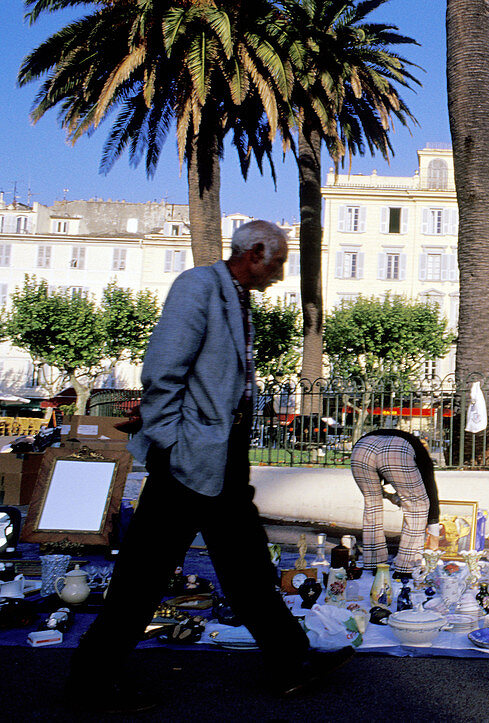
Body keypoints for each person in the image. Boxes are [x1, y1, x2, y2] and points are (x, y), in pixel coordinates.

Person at [67, 221, 352, 714]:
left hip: (222, 453)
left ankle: (290, 663)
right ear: (255, 251)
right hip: (189, 457)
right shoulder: (198, 287)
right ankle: (91, 680)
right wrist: (172, 442)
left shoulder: (237, 297)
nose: (281, 273)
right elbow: (161, 369)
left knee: (247, 567)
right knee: (145, 575)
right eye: (278, 261)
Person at [349, 428, 440, 578]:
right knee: (417, 505)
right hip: (397, 450)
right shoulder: (423, 457)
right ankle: (406, 567)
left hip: (362, 447)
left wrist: (393, 497)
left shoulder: (409, 442)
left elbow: (384, 491)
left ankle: (374, 564)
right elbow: (430, 492)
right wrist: (434, 534)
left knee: (372, 503)